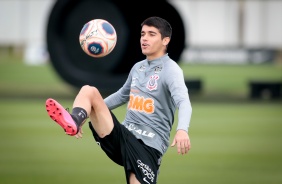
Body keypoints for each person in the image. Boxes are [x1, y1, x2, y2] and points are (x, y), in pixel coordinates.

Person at [45, 16, 192, 184]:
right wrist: (88, 113)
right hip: (122, 135)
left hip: (148, 146)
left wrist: (182, 130)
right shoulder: (138, 67)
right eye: (143, 34)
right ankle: (74, 120)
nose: (144, 38)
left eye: (151, 34)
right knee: (88, 91)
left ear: (165, 40)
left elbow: (184, 102)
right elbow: (123, 95)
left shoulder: (171, 70)